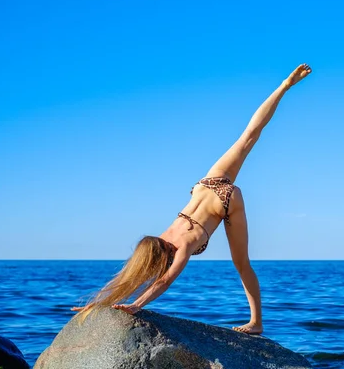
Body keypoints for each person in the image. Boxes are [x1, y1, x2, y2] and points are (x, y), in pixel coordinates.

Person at [71, 64, 313, 335]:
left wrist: (137, 304)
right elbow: (134, 274)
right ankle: (284, 86)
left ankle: (257, 323)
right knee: (248, 136)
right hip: (207, 184)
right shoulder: (160, 238)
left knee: (242, 264)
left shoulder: (181, 244)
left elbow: (163, 280)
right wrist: (97, 306)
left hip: (226, 201)